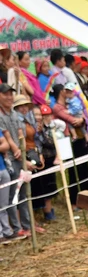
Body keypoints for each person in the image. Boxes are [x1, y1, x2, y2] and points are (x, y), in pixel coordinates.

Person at [0, 83, 31, 236]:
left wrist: (23, 151)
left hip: (20, 157)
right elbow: (6, 136)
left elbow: (20, 134)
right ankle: (17, 228)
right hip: (9, 159)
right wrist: (16, 149)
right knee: (12, 194)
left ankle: (26, 225)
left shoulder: (14, 114)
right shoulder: (0, 115)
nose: (9, 97)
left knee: (23, 193)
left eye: (11, 94)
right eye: (5, 94)